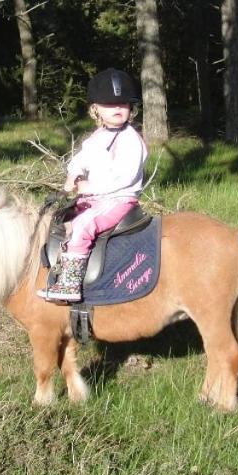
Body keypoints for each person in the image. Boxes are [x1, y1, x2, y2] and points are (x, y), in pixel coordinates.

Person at [38, 68, 148, 303]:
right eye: (110, 104)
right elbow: (81, 158)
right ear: (95, 109)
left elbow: (124, 177)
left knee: (85, 225)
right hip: (98, 199)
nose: (118, 108)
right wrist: (73, 174)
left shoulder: (130, 140)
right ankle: (56, 268)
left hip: (119, 199)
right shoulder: (98, 137)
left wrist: (90, 186)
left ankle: (69, 285)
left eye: (123, 104)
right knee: (61, 218)